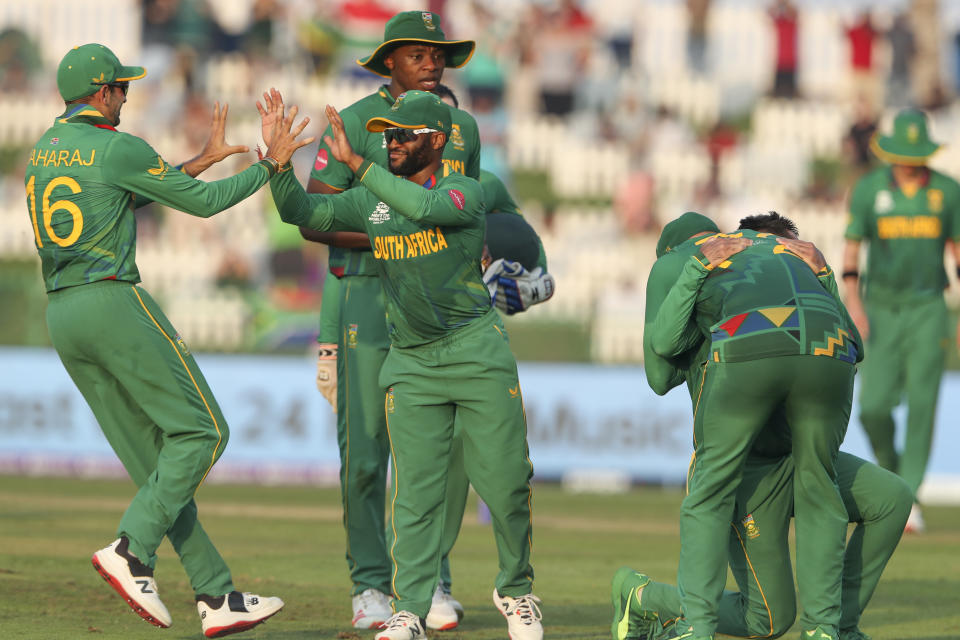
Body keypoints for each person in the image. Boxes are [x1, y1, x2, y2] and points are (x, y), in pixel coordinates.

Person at [25, 43, 313, 637]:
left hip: (63, 314)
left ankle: (215, 594)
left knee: (157, 465)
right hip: (111, 301)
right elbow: (203, 208)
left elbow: (121, 196)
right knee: (205, 431)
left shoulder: (45, 152)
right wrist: (272, 165)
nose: (126, 97)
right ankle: (132, 549)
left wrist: (200, 159)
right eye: (121, 88)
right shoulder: (117, 145)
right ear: (102, 93)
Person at [263, 89, 543, 640]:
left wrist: (357, 165)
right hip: (412, 361)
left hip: (475, 353)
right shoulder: (374, 200)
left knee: (508, 484)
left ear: (437, 142)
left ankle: (516, 591)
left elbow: (423, 208)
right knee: (414, 494)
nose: (389, 143)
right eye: (385, 135)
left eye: (401, 136)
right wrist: (278, 166)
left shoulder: (465, 192)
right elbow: (304, 214)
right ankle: (410, 611)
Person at [612, 212, 910, 640]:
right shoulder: (706, 272)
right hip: (750, 470)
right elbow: (660, 374)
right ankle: (641, 597)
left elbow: (660, 364)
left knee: (891, 499)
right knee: (768, 620)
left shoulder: (710, 283)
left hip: (791, 448)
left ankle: (834, 628)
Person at [301, 11, 480, 630]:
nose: (433, 64)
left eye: (439, 55)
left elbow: (465, 212)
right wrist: (389, 235)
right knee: (369, 452)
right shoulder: (354, 123)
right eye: (418, 55)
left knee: (434, 449)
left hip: (436, 298)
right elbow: (313, 215)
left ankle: (430, 584)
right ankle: (371, 586)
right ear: (389, 63)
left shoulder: (461, 128)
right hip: (369, 296)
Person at [842, 108, 960, 533]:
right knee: (873, 406)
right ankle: (892, 477)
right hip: (880, 307)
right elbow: (853, 249)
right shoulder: (870, 190)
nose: (909, 164)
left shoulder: (947, 192)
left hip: (929, 307)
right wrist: (854, 303)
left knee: (923, 406)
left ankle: (908, 496)